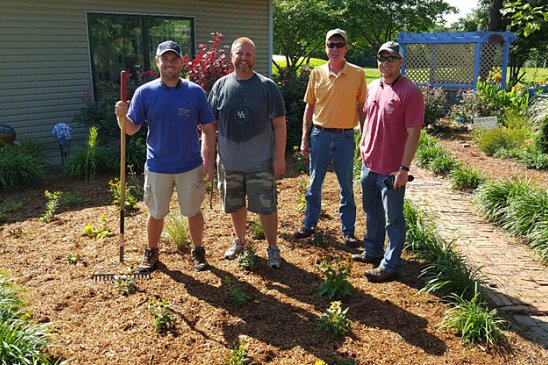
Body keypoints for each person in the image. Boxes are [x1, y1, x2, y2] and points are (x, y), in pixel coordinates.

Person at [114, 40, 216, 273]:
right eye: (165, 59)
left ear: (181, 62)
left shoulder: (195, 92)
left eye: (174, 59)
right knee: (156, 213)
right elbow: (131, 129)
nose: (169, 63)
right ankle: (151, 253)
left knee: (193, 211)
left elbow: (209, 128)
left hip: (190, 165)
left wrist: (208, 161)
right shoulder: (145, 92)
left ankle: (198, 251)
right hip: (158, 165)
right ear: (158, 61)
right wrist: (121, 116)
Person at [208, 37, 286, 269]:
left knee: (267, 207)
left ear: (254, 57)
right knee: (235, 205)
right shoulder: (220, 87)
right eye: (239, 54)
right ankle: (240, 241)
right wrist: (210, 160)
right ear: (231, 56)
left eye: (248, 54)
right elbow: (209, 126)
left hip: (260, 162)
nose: (243, 58)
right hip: (229, 162)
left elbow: (280, 125)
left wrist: (279, 157)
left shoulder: (267, 87)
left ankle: (272, 247)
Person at [353, 41, 424, 282]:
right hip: (369, 164)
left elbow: (414, 132)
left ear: (401, 62)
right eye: (382, 59)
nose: (386, 64)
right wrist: (363, 144)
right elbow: (367, 117)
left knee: (393, 218)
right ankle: (373, 250)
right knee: (371, 211)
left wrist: (404, 169)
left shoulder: (410, 92)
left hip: (392, 170)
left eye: (391, 59)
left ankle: (391, 263)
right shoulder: (373, 87)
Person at [293, 29, 366, 248]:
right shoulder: (317, 74)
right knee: (315, 183)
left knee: (346, 186)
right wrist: (305, 138)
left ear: (346, 47)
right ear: (326, 48)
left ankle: (348, 230)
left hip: (345, 137)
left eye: (339, 44)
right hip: (320, 135)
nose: (334, 49)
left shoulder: (358, 74)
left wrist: (365, 137)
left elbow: (362, 108)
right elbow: (309, 107)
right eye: (330, 45)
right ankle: (309, 224)